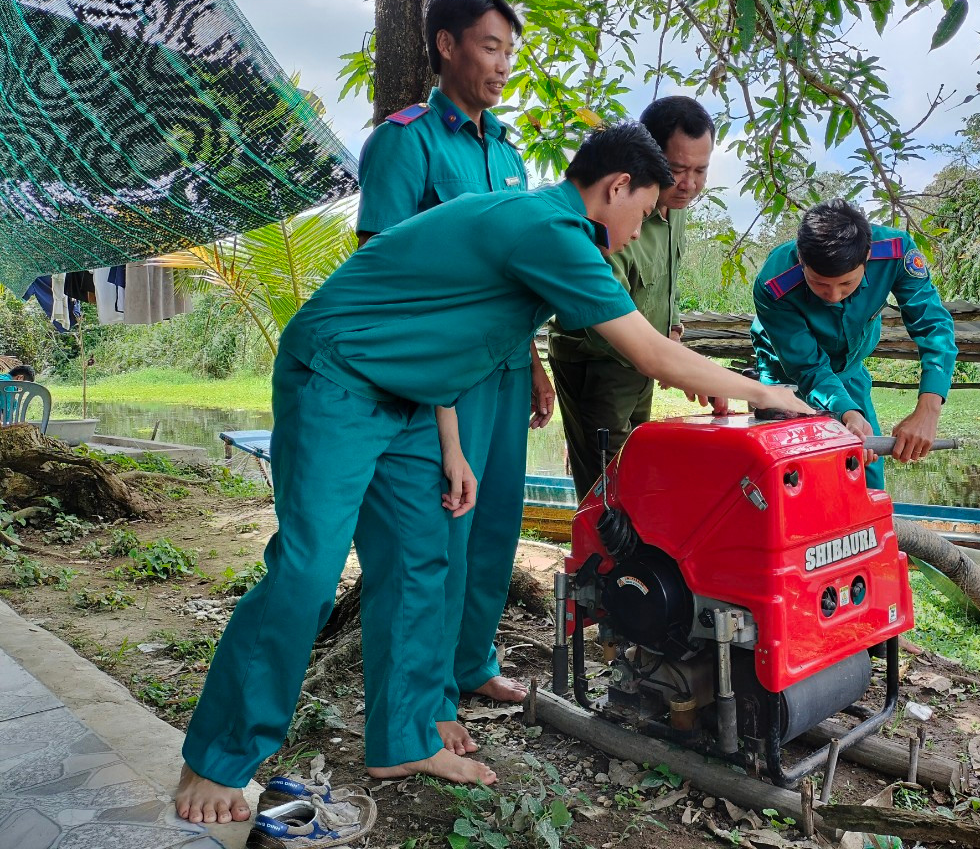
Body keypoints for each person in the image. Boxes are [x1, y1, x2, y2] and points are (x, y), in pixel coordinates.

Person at [173, 123, 811, 825]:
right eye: (644, 209)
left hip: (414, 400)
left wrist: (451, 448)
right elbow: (652, 355)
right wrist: (769, 394)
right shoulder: (550, 228)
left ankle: (404, 737)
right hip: (338, 376)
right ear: (616, 187)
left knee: (422, 565)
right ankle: (217, 758)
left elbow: (443, 328)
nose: (641, 230)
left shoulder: (543, 230)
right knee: (306, 571)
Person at [352, 0, 552, 756]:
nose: (503, 64)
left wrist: (533, 361)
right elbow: (387, 278)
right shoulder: (405, 142)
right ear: (446, 45)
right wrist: (433, 391)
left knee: (497, 525)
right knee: (443, 531)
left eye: (510, 49)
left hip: (503, 372)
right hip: (444, 381)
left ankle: (473, 662)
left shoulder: (506, 151)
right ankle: (428, 696)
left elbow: (512, 276)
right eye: (490, 46)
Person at [548, 96, 714, 499]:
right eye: (677, 170)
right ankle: (601, 562)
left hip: (646, 359)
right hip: (599, 361)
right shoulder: (614, 215)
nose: (688, 185)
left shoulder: (676, 206)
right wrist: (673, 363)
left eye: (700, 170)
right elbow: (603, 319)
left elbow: (665, 283)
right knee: (607, 487)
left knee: (635, 473)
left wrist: (672, 333)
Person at [751, 198, 957, 489]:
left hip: (849, 371)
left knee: (866, 478)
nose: (833, 295)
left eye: (846, 284)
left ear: (868, 257)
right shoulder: (773, 283)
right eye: (820, 284)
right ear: (800, 258)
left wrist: (928, 409)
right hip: (788, 379)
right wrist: (847, 413)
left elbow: (933, 325)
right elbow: (807, 367)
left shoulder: (896, 253)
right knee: (796, 479)